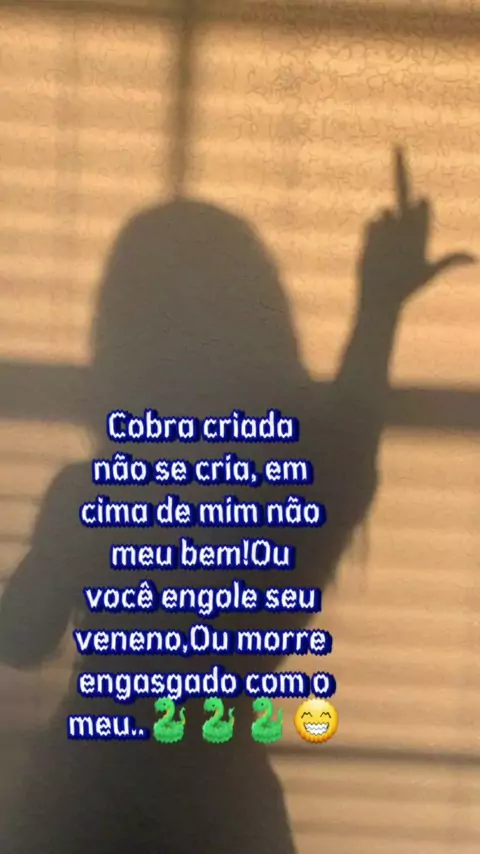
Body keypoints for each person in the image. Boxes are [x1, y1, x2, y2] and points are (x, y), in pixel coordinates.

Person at [0, 149, 473, 853]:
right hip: (222, 807)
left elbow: (20, 638)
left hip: (83, 802)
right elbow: (350, 425)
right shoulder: (298, 491)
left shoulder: (94, 495)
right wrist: (378, 308)